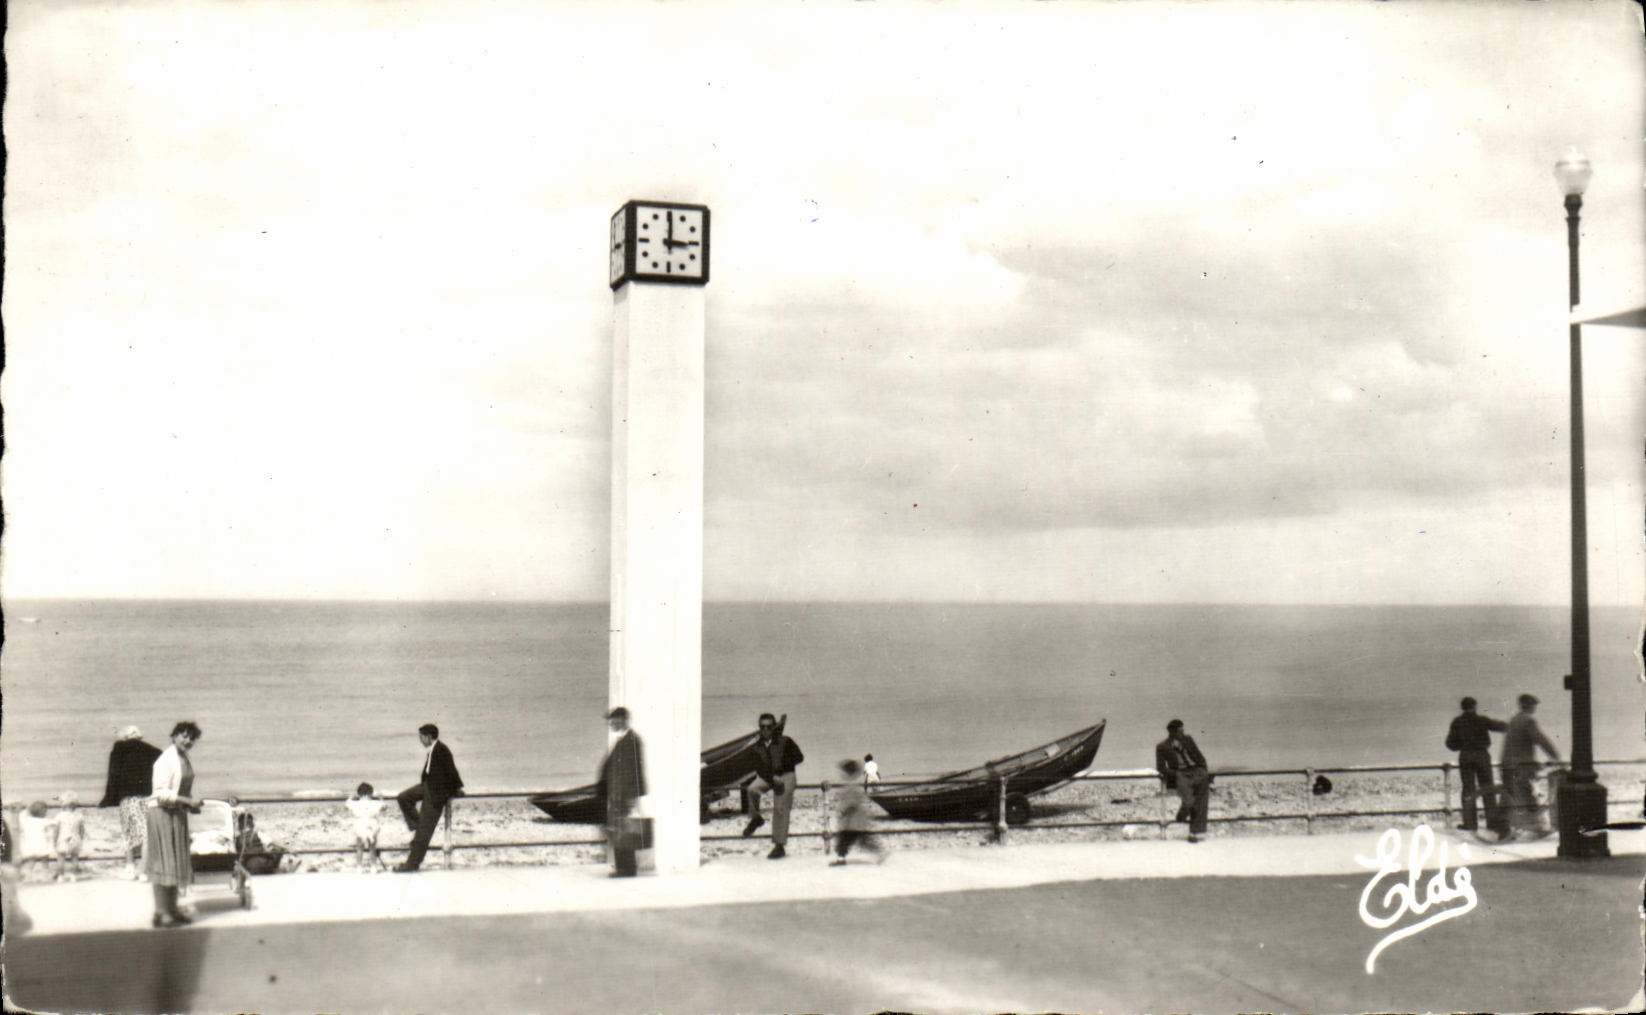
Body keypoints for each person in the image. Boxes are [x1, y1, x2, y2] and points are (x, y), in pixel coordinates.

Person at [147, 721, 204, 927]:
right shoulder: (165, 759)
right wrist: (187, 801)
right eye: (184, 736)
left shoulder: (183, 758)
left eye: (192, 738)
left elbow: (180, 790)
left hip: (176, 813)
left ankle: (171, 909)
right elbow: (160, 793)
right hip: (162, 814)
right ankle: (161, 913)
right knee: (163, 862)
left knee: (174, 862)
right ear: (174, 736)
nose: (188, 741)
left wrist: (189, 806)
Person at [395, 723, 464, 872]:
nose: (420, 740)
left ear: (427, 737)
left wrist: (457, 789)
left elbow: (451, 771)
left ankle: (411, 864)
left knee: (423, 833)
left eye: (421, 737)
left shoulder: (442, 750)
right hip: (427, 786)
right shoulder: (434, 749)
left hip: (436, 793)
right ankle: (416, 825)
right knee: (403, 798)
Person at [101, 725, 164, 880]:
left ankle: (130, 868)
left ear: (125, 737)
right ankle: (144, 870)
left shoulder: (119, 748)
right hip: (148, 797)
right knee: (146, 835)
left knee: (128, 833)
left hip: (128, 797)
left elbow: (113, 774)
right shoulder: (154, 751)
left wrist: (109, 798)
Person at [743, 712, 805, 859]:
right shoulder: (757, 747)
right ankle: (756, 818)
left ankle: (779, 846)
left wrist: (780, 771)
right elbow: (758, 768)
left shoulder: (785, 741)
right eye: (762, 727)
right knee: (751, 789)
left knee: (780, 807)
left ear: (774, 727)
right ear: (759, 728)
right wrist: (771, 777)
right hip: (769, 777)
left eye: (769, 727)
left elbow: (799, 757)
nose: (765, 730)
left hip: (786, 775)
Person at [1445, 695, 1509, 837]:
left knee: (1468, 790)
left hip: (1466, 756)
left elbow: (1450, 743)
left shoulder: (1457, 722)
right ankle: (1492, 823)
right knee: (1487, 788)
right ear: (1475, 706)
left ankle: (1470, 824)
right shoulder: (1481, 720)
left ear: (1462, 707)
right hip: (1482, 756)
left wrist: (1462, 746)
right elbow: (1499, 726)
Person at [1501, 693, 1561, 838]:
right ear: (1528, 705)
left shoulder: (1514, 720)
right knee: (1528, 795)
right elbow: (1541, 740)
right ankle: (1537, 827)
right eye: (1534, 705)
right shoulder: (1528, 721)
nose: (1535, 707)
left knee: (1510, 797)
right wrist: (1555, 756)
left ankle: (1502, 829)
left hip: (1508, 765)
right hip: (1521, 767)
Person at [596, 706, 646, 877]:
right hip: (618, 794)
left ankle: (627, 869)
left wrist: (633, 795)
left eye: (614, 721)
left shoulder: (631, 740)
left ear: (624, 720)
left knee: (623, 830)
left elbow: (635, 769)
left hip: (624, 794)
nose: (611, 724)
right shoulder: (624, 740)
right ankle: (624, 867)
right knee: (620, 829)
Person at [1155, 718, 1211, 843]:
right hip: (1181, 774)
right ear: (1172, 732)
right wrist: (1176, 774)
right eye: (1180, 731)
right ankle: (1180, 816)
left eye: (1183, 730)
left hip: (1197, 771)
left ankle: (1194, 833)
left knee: (1201, 802)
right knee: (1189, 801)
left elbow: (1199, 756)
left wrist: (1203, 769)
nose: (1182, 733)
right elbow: (1160, 767)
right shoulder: (1162, 747)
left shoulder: (1188, 740)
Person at [829, 759, 886, 866]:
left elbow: (851, 804)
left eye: (842, 772)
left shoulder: (850, 787)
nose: (840, 774)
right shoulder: (854, 786)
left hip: (852, 821)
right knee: (862, 840)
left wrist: (843, 812)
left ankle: (841, 859)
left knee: (845, 840)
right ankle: (880, 852)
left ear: (847, 773)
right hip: (857, 820)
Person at [347, 782, 388, 872]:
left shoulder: (356, 803)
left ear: (359, 794)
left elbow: (348, 805)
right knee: (372, 847)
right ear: (371, 793)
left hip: (360, 824)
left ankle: (359, 867)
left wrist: (350, 798)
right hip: (372, 824)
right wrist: (381, 799)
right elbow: (384, 807)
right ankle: (373, 867)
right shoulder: (375, 803)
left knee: (359, 847)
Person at [16, 802, 57, 881]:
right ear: (42, 812)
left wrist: (27, 809)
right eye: (45, 811)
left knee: (31, 861)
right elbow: (55, 822)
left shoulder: (27, 821)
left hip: (30, 845)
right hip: (42, 845)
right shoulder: (44, 821)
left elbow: (21, 816)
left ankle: (27, 876)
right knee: (45, 860)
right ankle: (45, 876)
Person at [53, 792, 86, 881]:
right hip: (75, 838)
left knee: (61, 858)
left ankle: (60, 876)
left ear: (62, 805)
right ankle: (73, 876)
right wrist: (81, 838)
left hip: (63, 838)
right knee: (74, 858)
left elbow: (56, 830)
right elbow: (82, 830)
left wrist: (54, 841)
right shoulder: (79, 816)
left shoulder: (60, 816)